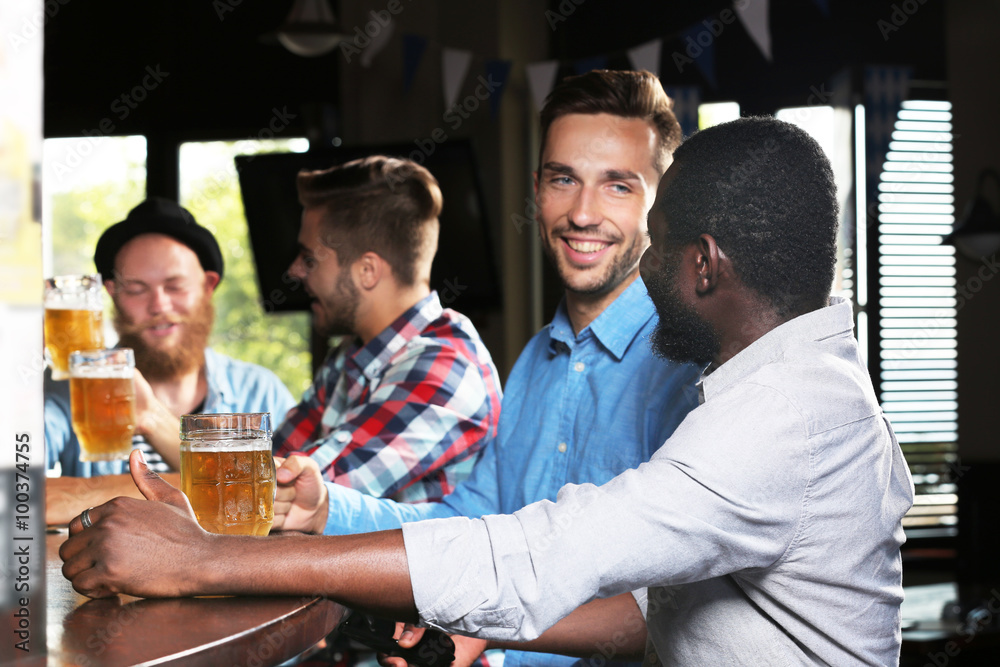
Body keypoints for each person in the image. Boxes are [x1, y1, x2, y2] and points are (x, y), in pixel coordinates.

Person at [62, 117, 916, 666]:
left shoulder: (783, 419)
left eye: (652, 242)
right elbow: (658, 606)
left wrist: (202, 559)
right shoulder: (782, 392)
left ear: (702, 262)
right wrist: (475, 619)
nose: (638, 268)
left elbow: (540, 553)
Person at [272, 70, 702, 666]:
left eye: (618, 187)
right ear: (536, 189)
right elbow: (466, 522)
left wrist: (488, 639)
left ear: (663, 204)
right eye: (563, 179)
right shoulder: (532, 362)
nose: (582, 213)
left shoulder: (693, 367)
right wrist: (326, 510)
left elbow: (669, 605)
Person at [269, 155, 503, 509]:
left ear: (367, 270)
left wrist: (154, 419)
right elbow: (264, 463)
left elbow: (289, 492)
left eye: (310, 258)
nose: (295, 271)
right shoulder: (348, 357)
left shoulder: (445, 368)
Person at [45, 198, 297, 524]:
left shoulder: (260, 390)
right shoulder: (69, 390)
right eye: (136, 289)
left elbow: (292, 496)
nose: (159, 305)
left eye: (175, 286)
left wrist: (150, 419)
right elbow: (14, 488)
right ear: (112, 294)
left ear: (208, 286)